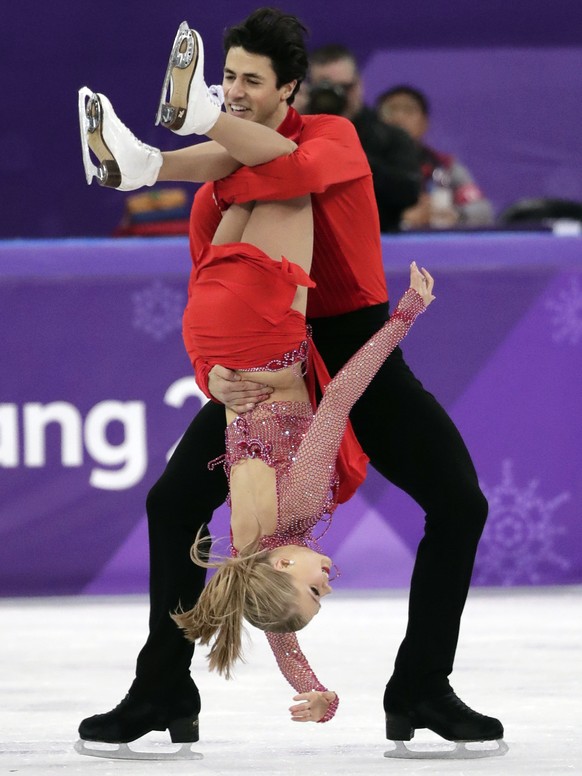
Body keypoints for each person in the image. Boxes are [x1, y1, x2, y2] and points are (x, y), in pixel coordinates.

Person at [77, 6, 505, 759]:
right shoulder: (216, 183)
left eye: (249, 80)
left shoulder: (330, 138)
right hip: (278, 365)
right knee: (172, 503)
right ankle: (162, 688)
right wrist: (210, 374)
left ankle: (421, 688)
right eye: (225, 79)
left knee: (459, 504)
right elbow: (207, 287)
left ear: (290, 89)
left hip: (354, 348)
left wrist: (192, 136)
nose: (236, 89)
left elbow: (292, 172)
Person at [305, 44, 422, 233]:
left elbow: (409, 193)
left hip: (378, 242)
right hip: (310, 246)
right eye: (326, 89)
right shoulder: (295, 134)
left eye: (344, 87)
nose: (338, 95)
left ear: (359, 84)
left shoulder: (389, 137)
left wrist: (351, 158)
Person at [376, 85, 495, 230]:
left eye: (409, 110)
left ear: (425, 123)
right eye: (391, 110)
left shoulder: (445, 166)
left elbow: (483, 210)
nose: (399, 118)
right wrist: (397, 218)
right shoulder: (368, 167)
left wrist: (455, 215)